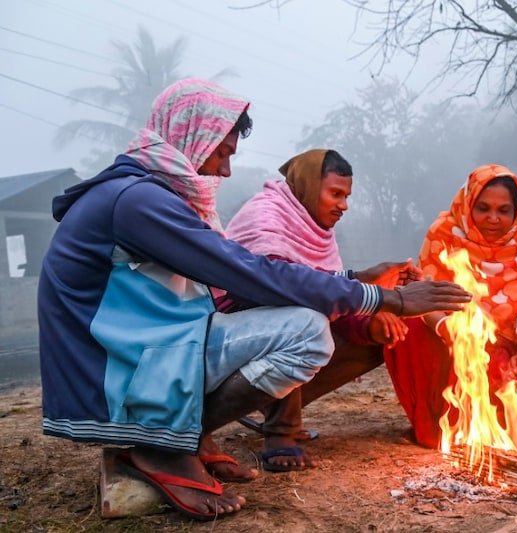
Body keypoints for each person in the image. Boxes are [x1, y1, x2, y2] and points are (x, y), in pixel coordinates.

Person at [37, 79, 471, 521]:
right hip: (114, 366)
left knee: (310, 320)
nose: (225, 172)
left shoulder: (148, 193)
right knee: (306, 330)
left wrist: (357, 282)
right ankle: (164, 450)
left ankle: (183, 436)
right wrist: (387, 298)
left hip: (152, 342)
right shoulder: (137, 201)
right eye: (222, 153)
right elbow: (251, 275)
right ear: (192, 138)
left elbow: (255, 278)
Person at [217, 148, 414, 472]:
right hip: (231, 334)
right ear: (308, 185)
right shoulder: (265, 215)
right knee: (296, 313)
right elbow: (283, 287)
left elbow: (329, 296)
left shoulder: (317, 231)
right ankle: (281, 431)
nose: (344, 206)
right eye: (335, 193)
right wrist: (364, 283)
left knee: (380, 332)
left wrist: (370, 325)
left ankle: (270, 402)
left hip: (287, 330)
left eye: (347, 196)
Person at [384, 164, 517, 448]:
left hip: (511, 348)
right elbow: (423, 297)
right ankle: (434, 427)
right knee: (407, 326)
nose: (493, 218)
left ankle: (506, 419)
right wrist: (446, 328)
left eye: (503, 210)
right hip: (447, 334)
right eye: (483, 208)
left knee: (501, 376)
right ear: (468, 204)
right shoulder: (443, 234)